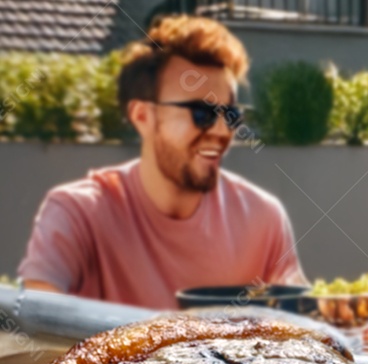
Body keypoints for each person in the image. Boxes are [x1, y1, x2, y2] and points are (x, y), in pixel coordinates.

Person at [18, 16, 304, 310]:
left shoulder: (263, 219)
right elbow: (38, 323)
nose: (221, 131)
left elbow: (302, 329)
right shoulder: (78, 214)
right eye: (201, 113)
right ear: (142, 116)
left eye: (230, 115)